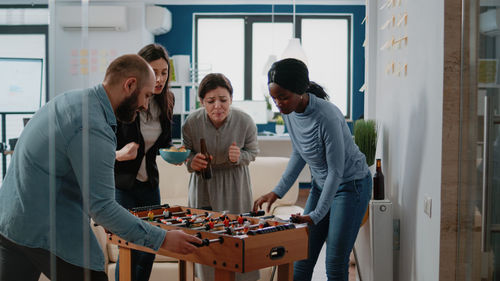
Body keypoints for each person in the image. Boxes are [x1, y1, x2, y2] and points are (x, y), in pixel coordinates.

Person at [0, 54, 201, 281]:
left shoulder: (72, 100)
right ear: (130, 84)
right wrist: (163, 238)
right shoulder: (94, 126)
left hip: (10, 221)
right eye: (145, 95)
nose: (145, 105)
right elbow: (103, 208)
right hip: (45, 229)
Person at [253, 58, 372, 281]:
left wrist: (316, 215)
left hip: (350, 185)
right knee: (302, 257)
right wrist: (276, 192)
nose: (278, 103)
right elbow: (299, 153)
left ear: (300, 91)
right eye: (274, 98)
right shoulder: (289, 112)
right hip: (321, 184)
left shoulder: (327, 116)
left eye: (283, 97)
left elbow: (336, 170)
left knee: (335, 262)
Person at [182, 73, 259, 281]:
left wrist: (240, 156)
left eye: (223, 100)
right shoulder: (191, 123)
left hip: (235, 186)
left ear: (231, 99)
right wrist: (192, 161)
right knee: (205, 241)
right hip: (203, 186)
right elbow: (184, 153)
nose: (218, 106)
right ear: (201, 102)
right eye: (210, 101)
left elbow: (253, 152)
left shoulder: (245, 121)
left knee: (238, 237)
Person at [114, 44, 175, 281]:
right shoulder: (125, 99)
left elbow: (164, 143)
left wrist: (174, 154)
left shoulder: (167, 100)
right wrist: (119, 152)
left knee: (150, 247)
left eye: (163, 72)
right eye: (153, 71)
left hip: (150, 185)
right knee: (130, 247)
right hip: (123, 185)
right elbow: (106, 144)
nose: (159, 79)